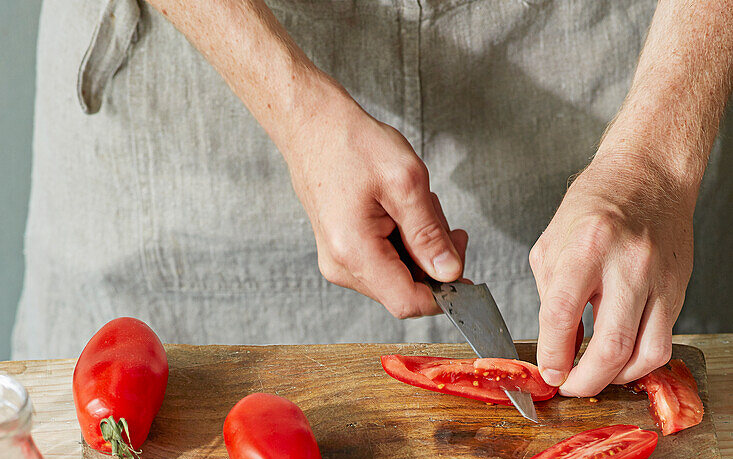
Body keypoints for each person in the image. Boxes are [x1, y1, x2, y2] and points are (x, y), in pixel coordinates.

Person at [12, 0, 732, 398]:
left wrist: (657, 161)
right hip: (195, 84)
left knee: (635, 359)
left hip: (611, 88)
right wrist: (288, 103)